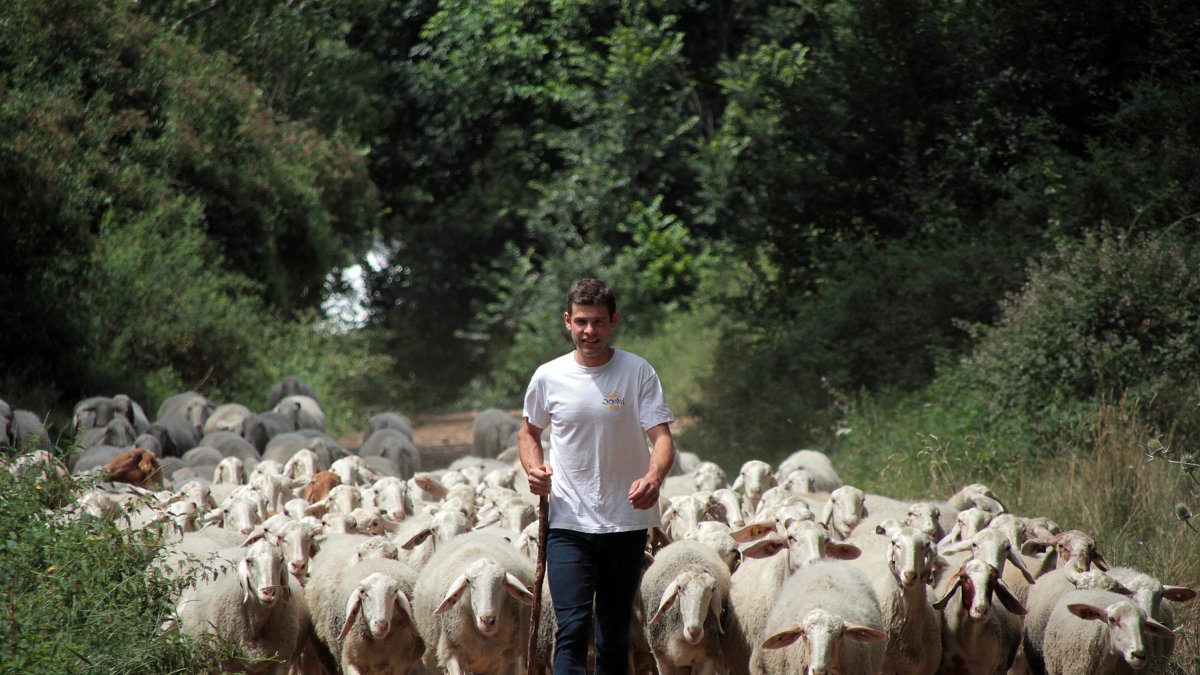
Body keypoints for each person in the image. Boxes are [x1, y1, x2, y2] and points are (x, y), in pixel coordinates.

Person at [519, 278, 676, 675]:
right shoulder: (548, 376)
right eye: (582, 322)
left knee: (614, 632)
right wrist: (534, 469)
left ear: (614, 322)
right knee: (570, 629)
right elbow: (528, 434)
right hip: (568, 521)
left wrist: (654, 477)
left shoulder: (637, 372)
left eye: (599, 323)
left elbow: (661, 439)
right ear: (567, 321)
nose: (590, 332)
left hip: (626, 520)